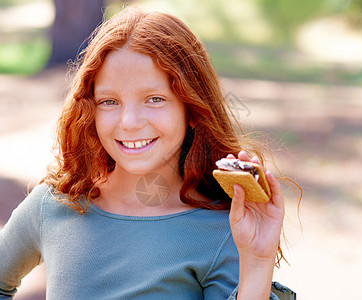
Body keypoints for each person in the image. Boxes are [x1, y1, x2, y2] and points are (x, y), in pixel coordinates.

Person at [0, 6, 297, 300]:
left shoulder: (222, 231)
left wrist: (257, 261)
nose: (129, 122)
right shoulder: (52, 205)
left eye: (154, 99)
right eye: (109, 101)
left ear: (191, 109)